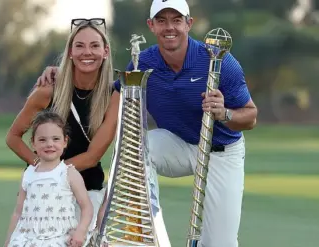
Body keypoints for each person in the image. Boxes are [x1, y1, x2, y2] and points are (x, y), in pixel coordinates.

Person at [38, 0, 258, 246]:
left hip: (220, 151)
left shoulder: (219, 62)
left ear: (189, 23)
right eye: (161, 21)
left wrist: (225, 113)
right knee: (140, 146)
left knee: (219, 243)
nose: (169, 27)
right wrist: (64, 71)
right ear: (151, 26)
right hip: (176, 144)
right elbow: (109, 89)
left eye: (176, 20)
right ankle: (152, 234)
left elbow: (250, 117)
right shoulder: (143, 63)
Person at [5, 17, 120, 243]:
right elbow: (13, 137)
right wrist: (42, 168)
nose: (87, 52)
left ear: (105, 51)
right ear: (69, 52)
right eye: (79, 45)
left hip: (87, 191)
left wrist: (56, 171)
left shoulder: (113, 95)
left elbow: (93, 156)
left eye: (95, 45)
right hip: (43, 194)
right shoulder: (48, 91)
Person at [4, 111, 94, 247]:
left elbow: (86, 207)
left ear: (65, 142)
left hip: (59, 237)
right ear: (33, 143)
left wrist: (80, 232)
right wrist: (9, 240)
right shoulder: (28, 174)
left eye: (55, 139)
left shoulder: (69, 173)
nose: (49, 144)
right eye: (42, 140)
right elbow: (18, 212)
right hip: (28, 238)